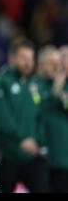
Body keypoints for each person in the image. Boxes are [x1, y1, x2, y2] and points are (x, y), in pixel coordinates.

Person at [0, 38, 48, 193]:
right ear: (12, 58)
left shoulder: (36, 84)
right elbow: (2, 116)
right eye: (23, 58)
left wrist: (38, 140)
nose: (27, 63)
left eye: (30, 59)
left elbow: (41, 115)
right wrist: (21, 139)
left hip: (31, 154)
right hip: (0, 153)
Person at [38, 45, 68, 192]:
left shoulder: (65, 86)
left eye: (58, 63)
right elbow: (39, 106)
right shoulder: (36, 85)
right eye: (51, 63)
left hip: (63, 159)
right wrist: (57, 87)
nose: (56, 67)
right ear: (41, 66)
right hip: (42, 159)